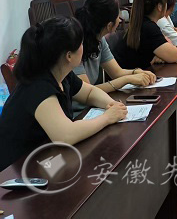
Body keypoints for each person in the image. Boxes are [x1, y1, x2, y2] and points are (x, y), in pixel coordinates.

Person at [0, 17, 127, 171]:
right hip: (18, 172)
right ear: (69, 56)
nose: (83, 47)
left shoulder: (61, 74)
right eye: (81, 44)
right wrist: (107, 118)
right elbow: (66, 135)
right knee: (88, 168)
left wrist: (110, 104)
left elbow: (89, 92)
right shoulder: (38, 87)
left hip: (46, 158)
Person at [73, 0, 157, 95]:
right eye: (118, 16)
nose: (120, 19)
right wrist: (127, 79)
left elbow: (117, 72)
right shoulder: (75, 45)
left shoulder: (100, 39)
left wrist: (137, 72)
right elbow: (86, 92)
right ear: (109, 25)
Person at [112, 0, 177, 69]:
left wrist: (160, 54)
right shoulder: (149, 28)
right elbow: (174, 56)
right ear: (159, 7)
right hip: (128, 75)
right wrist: (166, 46)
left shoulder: (142, 23)